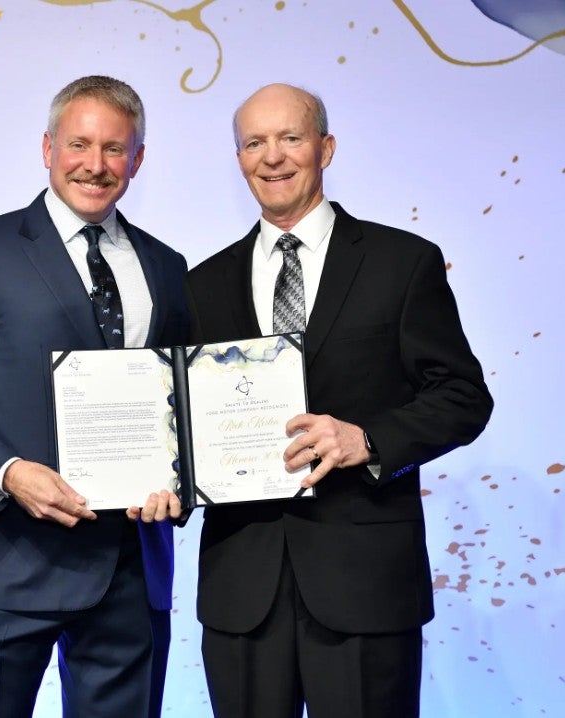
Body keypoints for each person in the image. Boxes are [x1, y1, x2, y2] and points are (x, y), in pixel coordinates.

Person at [185, 83, 493, 717]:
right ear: (239, 157)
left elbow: (464, 396)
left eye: (290, 138)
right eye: (253, 143)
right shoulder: (199, 285)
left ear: (325, 147)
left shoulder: (402, 262)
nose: (272, 157)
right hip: (243, 584)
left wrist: (368, 440)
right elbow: (181, 423)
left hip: (365, 581)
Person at [0, 75, 188, 718]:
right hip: (8, 560)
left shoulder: (166, 266)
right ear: (48, 147)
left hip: (130, 568)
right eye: (79, 144)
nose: (95, 164)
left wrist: (181, 481)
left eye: (115, 149)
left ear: (138, 159)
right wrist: (6, 472)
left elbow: (181, 404)